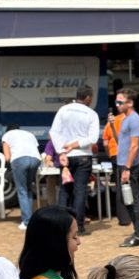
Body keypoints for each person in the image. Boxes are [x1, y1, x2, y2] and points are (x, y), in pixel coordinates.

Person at [49, 85, 100, 236]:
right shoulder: (92, 114)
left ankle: (60, 225)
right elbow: (93, 138)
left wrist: (61, 152)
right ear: (88, 98)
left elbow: (54, 132)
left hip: (66, 157)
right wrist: (75, 144)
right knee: (80, 191)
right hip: (83, 156)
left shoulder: (63, 110)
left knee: (64, 190)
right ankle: (79, 226)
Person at [102, 111, 139, 227]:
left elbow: (105, 143)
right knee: (135, 186)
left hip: (117, 156)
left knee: (121, 187)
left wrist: (110, 154)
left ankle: (124, 219)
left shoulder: (112, 122)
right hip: (135, 156)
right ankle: (138, 217)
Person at [114, 88, 139, 247]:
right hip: (123, 164)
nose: (117, 104)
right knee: (126, 199)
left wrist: (127, 168)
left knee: (132, 200)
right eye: (117, 101)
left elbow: (134, 146)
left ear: (130, 103)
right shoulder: (125, 119)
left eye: (120, 102)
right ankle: (138, 230)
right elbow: (122, 143)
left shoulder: (134, 120)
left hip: (129, 166)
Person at [2, 124, 42, 230]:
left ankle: (26, 222)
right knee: (28, 189)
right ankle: (31, 219)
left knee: (22, 191)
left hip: (19, 160)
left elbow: (7, 157)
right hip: (35, 160)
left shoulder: (7, 135)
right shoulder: (29, 134)